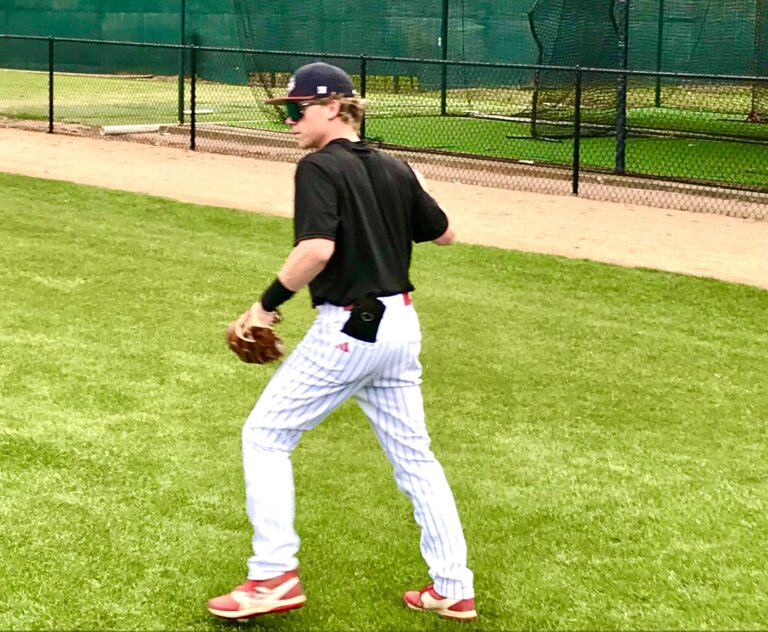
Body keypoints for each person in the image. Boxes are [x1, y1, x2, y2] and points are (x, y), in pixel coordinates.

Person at [207, 62, 476, 622]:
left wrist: (264, 305)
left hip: (354, 326)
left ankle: (272, 575)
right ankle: (452, 585)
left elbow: (316, 251)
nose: (288, 120)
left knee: (265, 434)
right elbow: (445, 232)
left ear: (334, 107)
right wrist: (411, 179)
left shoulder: (318, 168)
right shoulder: (394, 165)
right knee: (415, 458)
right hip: (400, 324)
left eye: (295, 108)